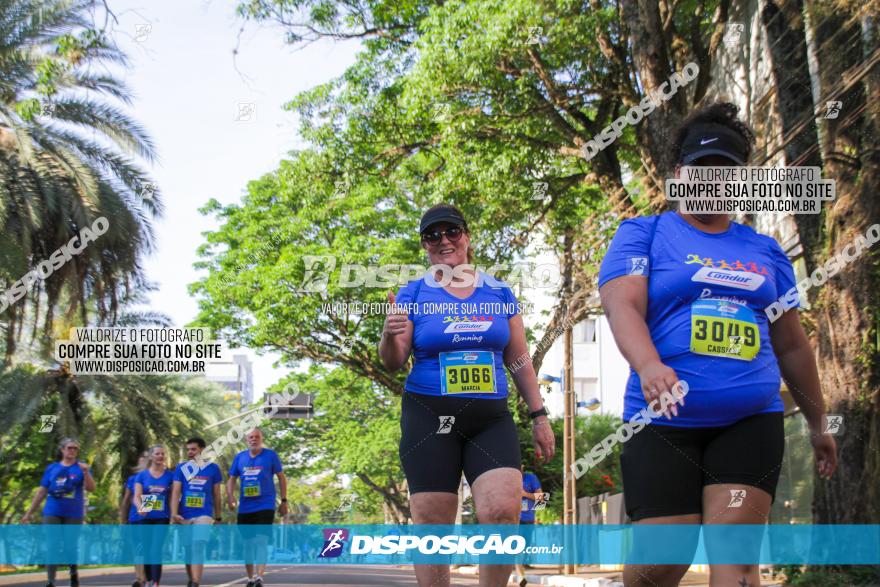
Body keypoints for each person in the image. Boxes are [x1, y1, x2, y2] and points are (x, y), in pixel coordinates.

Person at [597, 102, 839, 586]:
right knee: (662, 562)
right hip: (664, 418)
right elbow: (622, 306)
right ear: (680, 174)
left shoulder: (764, 251)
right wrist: (647, 365)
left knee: (736, 554)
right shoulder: (643, 234)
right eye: (702, 170)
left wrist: (818, 422)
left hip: (750, 420)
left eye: (725, 172)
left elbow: (791, 344)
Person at [379, 203, 555, 587]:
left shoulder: (498, 291)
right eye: (432, 235)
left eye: (451, 232)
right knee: (432, 522)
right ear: (425, 245)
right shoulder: (412, 293)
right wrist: (389, 334)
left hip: (489, 420)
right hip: (429, 418)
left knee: (502, 513)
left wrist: (538, 415)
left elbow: (520, 358)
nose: (443, 241)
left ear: (467, 236)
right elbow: (393, 361)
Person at [22, 437, 95, 587]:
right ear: (62, 450)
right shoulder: (52, 468)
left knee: (70, 545)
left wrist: (86, 472)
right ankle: (50, 581)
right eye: (70, 448)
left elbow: (91, 488)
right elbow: (42, 491)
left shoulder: (81, 467)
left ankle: (73, 573)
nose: (73, 451)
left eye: (75, 448)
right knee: (52, 545)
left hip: (73, 512)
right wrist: (28, 513)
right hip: (52, 510)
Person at [227, 428, 288, 587]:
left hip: (265, 505)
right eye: (251, 437)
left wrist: (284, 500)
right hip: (246, 507)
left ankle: (260, 577)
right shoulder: (240, 457)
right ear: (247, 440)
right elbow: (231, 479)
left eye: (257, 437)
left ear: (261, 439)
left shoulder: (270, 455)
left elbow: (281, 477)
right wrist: (231, 497)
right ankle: (250, 578)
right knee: (248, 543)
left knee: (261, 540)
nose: (254, 439)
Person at [171, 437, 223, 587]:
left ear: (202, 450)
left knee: (197, 545)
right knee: (188, 549)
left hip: (204, 513)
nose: (190, 452)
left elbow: (217, 495)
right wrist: (174, 513)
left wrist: (218, 516)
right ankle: (191, 578)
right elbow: (176, 491)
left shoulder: (213, 469)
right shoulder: (181, 468)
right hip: (184, 514)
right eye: (188, 449)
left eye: (193, 449)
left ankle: (195, 582)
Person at [133, 445, 174, 587]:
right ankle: (148, 580)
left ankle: (156, 582)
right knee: (147, 548)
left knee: (156, 548)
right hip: (145, 515)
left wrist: (174, 514)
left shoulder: (170, 475)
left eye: (163, 453)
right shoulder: (142, 476)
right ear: (151, 456)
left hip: (162, 517)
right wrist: (140, 507)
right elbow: (136, 496)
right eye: (157, 453)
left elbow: (174, 497)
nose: (161, 456)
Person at [120, 452, 149, 587]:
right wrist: (123, 519)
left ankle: (148, 577)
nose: (144, 460)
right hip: (135, 519)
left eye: (147, 457)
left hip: (154, 520)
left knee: (149, 549)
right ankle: (139, 578)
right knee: (138, 548)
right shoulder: (133, 479)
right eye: (142, 457)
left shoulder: (156, 477)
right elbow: (126, 500)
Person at [514, 465, 543, 587]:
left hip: (528, 519)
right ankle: (521, 577)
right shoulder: (507, 478)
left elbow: (541, 500)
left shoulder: (531, 478)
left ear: (523, 467)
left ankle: (519, 573)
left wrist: (525, 494)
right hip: (513, 520)